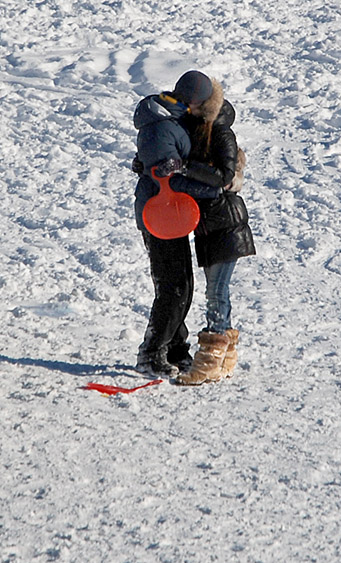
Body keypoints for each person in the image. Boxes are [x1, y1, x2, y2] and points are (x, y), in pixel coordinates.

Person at [132, 70, 228, 376]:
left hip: (169, 215)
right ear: (193, 102)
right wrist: (211, 189)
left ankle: (175, 348)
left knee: (181, 285)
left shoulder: (171, 119)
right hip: (159, 214)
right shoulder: (162, 127)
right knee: (173, 288)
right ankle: (151, 352)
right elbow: (168, 179)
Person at [173, 76, 256, 385]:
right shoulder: (197, 127)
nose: (185, 106)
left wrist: (184, 168)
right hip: (210, 223)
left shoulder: (220, 132)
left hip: (225, 223)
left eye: (189, 101)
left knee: (216, 292)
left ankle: (209, 360)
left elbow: (223, 175)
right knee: (219, 291)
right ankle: (226, 357)